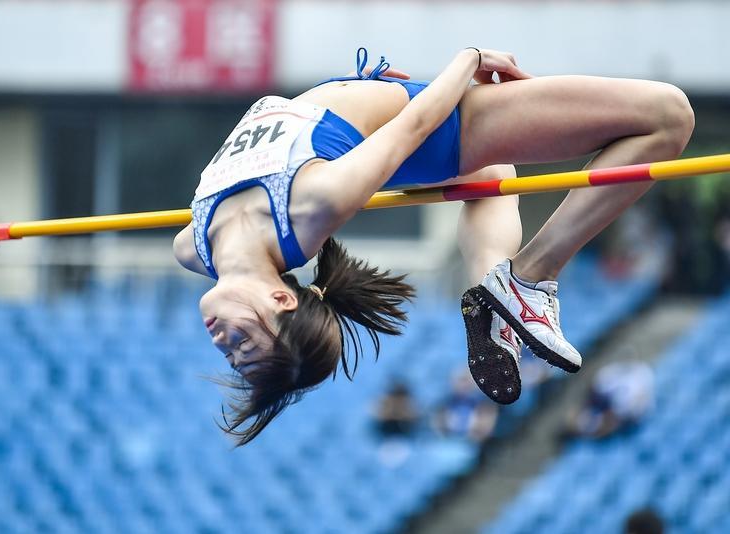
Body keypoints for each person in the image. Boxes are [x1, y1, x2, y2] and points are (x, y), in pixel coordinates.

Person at [172, 46, 694, 444]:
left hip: (368, 118)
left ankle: (494, 287)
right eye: (245, 346)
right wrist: (468, 59)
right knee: (668, 116)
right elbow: (415, 126)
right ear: (283, 299)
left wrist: (363, 87)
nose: (223, 344)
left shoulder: (191, 247)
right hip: (427, 121)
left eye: (238, 351)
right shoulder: (315, 204)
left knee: (490, 175)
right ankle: (527, 277)